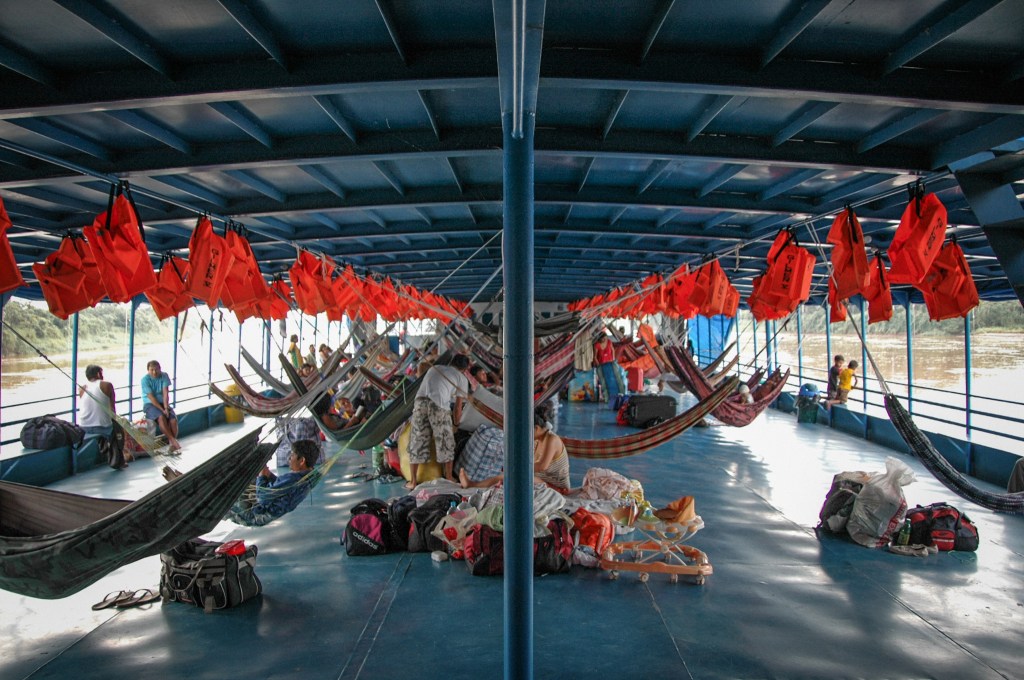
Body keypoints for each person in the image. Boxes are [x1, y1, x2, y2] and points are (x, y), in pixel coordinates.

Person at [458, 403, 570, 491]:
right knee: (505, 477)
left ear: (536, 428)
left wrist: (515, 468)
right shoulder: (537, 441)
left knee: (506, 477)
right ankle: (473, 485)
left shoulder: (551, 439)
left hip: (557, 488)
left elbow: (542, 466)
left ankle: (472, 485)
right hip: (542, 482)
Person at [407, 353, 470, 489]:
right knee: (446, 441)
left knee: (417, 440)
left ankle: (412, 481)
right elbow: (458, 408)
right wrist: (456, 424)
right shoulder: (462, 378)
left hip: (420, 402)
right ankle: (448, 477)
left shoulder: (435, 368)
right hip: (439, 406)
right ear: (464, 369)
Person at [79, 364, 129, 468]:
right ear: (98, 374)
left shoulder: (82, 388)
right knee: (119, 431)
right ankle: (119, 461)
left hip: (84, 427)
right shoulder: (107, 385)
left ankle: (104, 448)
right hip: (102, 427)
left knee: (108, 427)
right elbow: (112, 409)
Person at [142, 360, 181, 451]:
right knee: (161, 417)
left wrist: (166, 408)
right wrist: (162, 410)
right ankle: (173, 440)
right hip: (150, 404)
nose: (154, 372)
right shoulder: (145, 380)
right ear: (148, 370)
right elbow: (151, 397)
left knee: (173, 420)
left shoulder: (164, 376)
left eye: (156, 370)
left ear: (160, 369)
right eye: (151, 370)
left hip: (163, 403)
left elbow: (165, 393)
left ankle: (172, 444)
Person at [592, 331, 621, 403]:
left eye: (605, 338)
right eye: (603, 339)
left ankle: (610, 396)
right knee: (601, 381)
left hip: (609, 365)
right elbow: (595, 357)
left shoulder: (609, 342)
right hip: (601, 365)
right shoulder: (597, 345)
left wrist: (613, 360)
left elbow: (612, 350)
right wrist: (598, 366)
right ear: (600, 338)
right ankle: (602, 396)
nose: (605, 340)